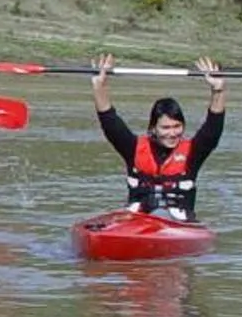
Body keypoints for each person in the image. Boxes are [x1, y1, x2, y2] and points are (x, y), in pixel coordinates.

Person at [93, 53, 226, 218]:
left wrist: (218, 89)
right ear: (153, 129)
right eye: (165, 128)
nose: (172, 133)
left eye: (177, 126)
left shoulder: (193, 152)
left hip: (177, 224)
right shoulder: (133, 148)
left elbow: (213, 127)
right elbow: (109, 121)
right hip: (137, 221)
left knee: (160, 214)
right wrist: (100, 86)